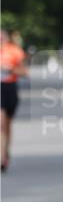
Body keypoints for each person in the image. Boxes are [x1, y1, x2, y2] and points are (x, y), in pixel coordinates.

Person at [1, 27, 28, 172]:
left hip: (10, 88)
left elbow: (24, 72)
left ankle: (5, 152)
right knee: (0, 123)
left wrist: (9, 69)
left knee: (7, 125)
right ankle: (1, 157)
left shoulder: (14, 51)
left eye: (2, 38)